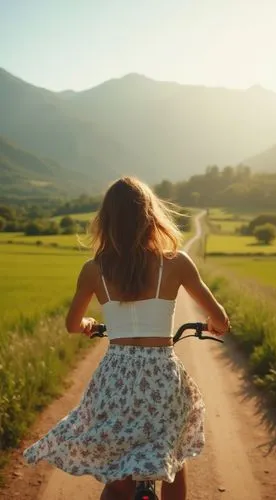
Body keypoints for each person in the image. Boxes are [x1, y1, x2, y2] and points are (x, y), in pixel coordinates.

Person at [23, 176, 230, 500]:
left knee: (119, 478)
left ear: (106, 222)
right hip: (162, 378)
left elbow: (71, 324)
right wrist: (215, 325)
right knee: (173, 459)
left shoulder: (94, 270)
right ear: (151, 216)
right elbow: (220, 319)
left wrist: (89, 323)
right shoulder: (175, 263)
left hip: (115, 379)